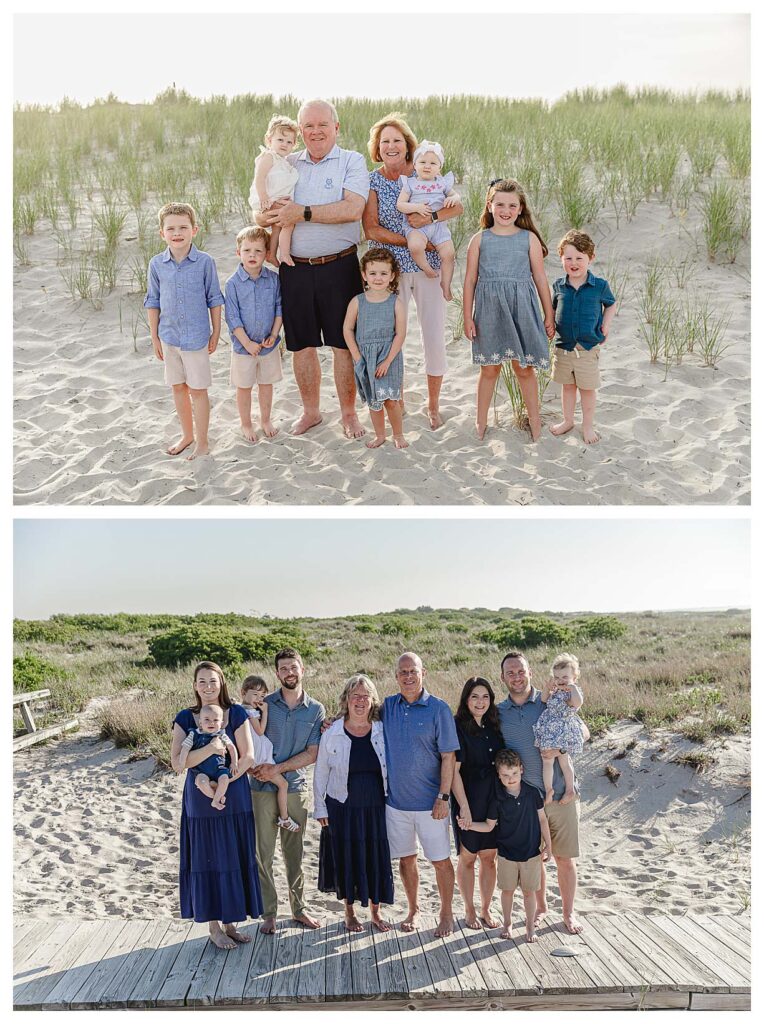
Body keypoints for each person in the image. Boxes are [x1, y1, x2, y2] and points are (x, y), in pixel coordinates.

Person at [256, 99, 369, 439]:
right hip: (295, 270)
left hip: (340, 265)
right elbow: (261, 211)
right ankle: (311, 412)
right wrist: (265, 216)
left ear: (337, 127)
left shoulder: (352, 161)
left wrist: (302, 213)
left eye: (323, 124)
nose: (315, 131)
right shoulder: (286, 161)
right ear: (300, 130)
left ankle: (349, 413)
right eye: (308, 126)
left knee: (343, 343)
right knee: (302, 345)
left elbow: (353, 208)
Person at [364, 113, 463, 429]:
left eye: (396, 140)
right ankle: (399, 398)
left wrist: (431, 220)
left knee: (433, 334)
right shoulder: (373, 180)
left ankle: (433, 405)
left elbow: (456, 207)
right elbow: (371, 228)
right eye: (384, 142)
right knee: (391, 336)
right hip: (388, 272)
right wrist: (411, 240)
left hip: (429, 269)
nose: (391, 146)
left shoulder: (426, 171)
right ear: (377, 149)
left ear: (408, 146)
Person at [170, 662, 262, 949]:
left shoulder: (235, 713)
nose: (208, 687)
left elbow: (247, 756)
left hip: (233, 793)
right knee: (207, 857)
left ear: (222, 682)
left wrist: (226, 782)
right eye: (202, 682)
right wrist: (210, 750)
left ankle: (231, 923)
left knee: (232, 856)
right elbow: (177, 764)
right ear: (194, 685)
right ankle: (213, 927)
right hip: (200, 800)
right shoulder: (186, 718)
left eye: (213, 681)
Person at [496, 651, 586, 934]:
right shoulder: (499, 713)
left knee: (564, 859)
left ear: (530, 673)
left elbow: (583, 731)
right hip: (527, 801)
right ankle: (542, 909)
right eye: (510, 673)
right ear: (503, 677)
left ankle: (569, 914)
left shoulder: (549, 699)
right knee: (537, 858)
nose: (516, 677)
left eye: (520, 671)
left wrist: (560, 750)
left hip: (560, 794)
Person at [462, 179, 555, 442]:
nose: (505, 210)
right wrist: (467, 316)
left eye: (512, 205)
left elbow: (540, 278)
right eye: (499, 204)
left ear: (520, 208)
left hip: (522, 309)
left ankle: (535, 422)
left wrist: (549, 314)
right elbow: (470, 280)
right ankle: (481, 422)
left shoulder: (529, 239)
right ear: (489, 206)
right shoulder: (480, 240)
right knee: (489, 369)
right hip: (490, 310)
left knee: (523, 368)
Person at [382, 652, 459, 938]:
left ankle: (446, 914)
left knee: (440, 861)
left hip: (431, 804)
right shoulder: (388, 706)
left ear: (423, 673)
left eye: (412, 671)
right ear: (396, 676)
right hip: (396, 804)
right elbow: (358, 714)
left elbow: (449, 757)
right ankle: (413, 910)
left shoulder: (438, 708)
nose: (408, 676)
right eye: (402, 672)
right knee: (406, 860)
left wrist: (443, 797)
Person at [250, 647, 325, 935]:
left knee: (294, 854)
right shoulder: (265, 704)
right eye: (283, 668)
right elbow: (249, 738)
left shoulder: (316, 709)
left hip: (295, 789)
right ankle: (269, 912)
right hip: (259, 788)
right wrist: (260, 770)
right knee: (263, 854)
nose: (289, 672)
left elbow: (313, 753)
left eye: (293, 667)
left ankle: (299, 909)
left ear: (302, 669)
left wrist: (277, 770)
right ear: (277, 673)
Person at [314, 674, 394, 933]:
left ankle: (375, 912)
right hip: (341, 804)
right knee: (347, 857)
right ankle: (349, 913)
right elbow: (321, 772)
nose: (360, 701)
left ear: (373, 701)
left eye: (365, 696)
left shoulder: (383, 729)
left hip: (376, 804)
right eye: (355, 696)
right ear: (346, 699)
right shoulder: (333, 732)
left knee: (375, 857)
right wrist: (320, 807)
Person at [144, 202, 224, 460]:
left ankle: (202, 441)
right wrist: (154, 336)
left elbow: (214, 298)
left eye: (183, 227)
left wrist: (215, 332)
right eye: (171, 228)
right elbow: (152, 301)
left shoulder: (204, 262)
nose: (177, 233)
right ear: (162, 233)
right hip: (169, 337)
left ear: (194, 230)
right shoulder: (157, 265)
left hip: (196, 337)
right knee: (178, 387)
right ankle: (187, 435)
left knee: (198, 390)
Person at [458, 749, 552, 943]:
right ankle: (507, 924)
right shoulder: (497, 799)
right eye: (505, 775)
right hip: (506, 854)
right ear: (499, 776)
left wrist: (548, 845)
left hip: (531, 853)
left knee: (529, 892)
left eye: (514, 773)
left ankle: (529, 929)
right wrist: (469, 825)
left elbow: (542, 820)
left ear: (521, 770)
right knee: (507, 891)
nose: (511, 779)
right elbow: (489, 825)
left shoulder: (532, 793)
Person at [549, 230, 616, 445]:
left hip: (587, 347)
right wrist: (549, 324)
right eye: (568, 258)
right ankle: (568, 420)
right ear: (561, 259)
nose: (574, 263)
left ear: (590, 258)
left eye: (579, 258)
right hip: (564, 347)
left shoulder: (599, 286)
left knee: (587, 388)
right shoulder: (559, 285)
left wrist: (605, 324)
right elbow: (552, 309)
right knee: (567, 386)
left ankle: (587, 426)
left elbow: (611, 304)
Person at [450, 677, 504, 929]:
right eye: (474, 696)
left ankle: (485, 908)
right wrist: (464, 807)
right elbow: (454, 772)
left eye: (485, 696)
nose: (480, 702)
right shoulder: (458, 726)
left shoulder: (495, 726)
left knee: (489, 858)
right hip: (467, 798)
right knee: (468, 857)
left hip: (493, 797)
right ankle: (469, 909)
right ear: (466, 699)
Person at [343, 248, 408, 449]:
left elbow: (401, 334)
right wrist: (356, 356)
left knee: (390, 400)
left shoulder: (395, 303)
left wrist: (387, 361)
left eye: (383, 273)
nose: (377, 278)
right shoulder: (357, 302)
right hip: (365, 358)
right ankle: (380, 435)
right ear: (364, 275)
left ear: (392, 275)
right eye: (372, 273)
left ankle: (398, 435)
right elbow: (347, 328)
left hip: (389, 357)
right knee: (374, 401)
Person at [224, 226, 283, 443]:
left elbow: (279, 308)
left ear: (266, 254)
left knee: (266, 384)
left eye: (258, 251)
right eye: (247, 250)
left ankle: (265, 420)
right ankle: (246, 423)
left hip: (268, 344)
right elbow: (232, 318)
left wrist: (274, 334)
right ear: (238, 252)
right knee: (245, 386)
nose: (252, 255)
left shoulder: (273, 280)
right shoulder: (233, 284)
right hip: (243, 347)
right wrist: (247, 342)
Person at [395, 140, 460, 301]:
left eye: (433, 163)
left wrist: (453, 199)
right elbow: (400, 205)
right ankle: (426, 267)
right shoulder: (410, 184)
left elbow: (456, 196)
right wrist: (416, 207)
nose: (427, 166)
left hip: (438, 227)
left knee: (449, 253)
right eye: (422, 162)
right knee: (415, 246)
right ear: (415, 165)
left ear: (439, 168)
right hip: (417, 229)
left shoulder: (442, 183)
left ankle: (446, 283)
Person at [240, 675, 300, 832]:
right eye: (255, 694)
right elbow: (260, 731)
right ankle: (284, 818)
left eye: (262, 696)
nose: (258, 699)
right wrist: (265, 712)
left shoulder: (240, 709)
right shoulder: (250, 712)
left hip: (259, 756)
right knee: (284, 784)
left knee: (281, 785)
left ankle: (283, 817)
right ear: (243, 692)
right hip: (261, 759)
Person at [248, 114, 300, 266]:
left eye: (289, 142)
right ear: (269, 140)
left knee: (278, 225)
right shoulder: (268, 156)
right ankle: (284, 254)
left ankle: (271, 253)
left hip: (276, 199)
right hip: (267, 200)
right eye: (280, 140)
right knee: (289, 221)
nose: (284, 144)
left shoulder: (283, 161)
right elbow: (260, 177)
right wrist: (264, 197)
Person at [533, 653, 585, 805]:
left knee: (564, 761)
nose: (561, 681)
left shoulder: (572, 692)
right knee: (547, 760)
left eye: (565, 677)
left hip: (563, 730)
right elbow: (543, 700)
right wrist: (547, 688)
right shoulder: (555, 691)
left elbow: (577, 703)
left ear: (574, 677)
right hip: (549, 731)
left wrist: (572, 687)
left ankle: (570, 789)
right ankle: (549, 789)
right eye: (557, 677)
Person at [178, 703, 238, 810]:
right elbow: (185, 748)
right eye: (207, 719)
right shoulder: (194, 734)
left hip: (219, 768)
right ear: (200, 722)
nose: (211, 723)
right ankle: (216, 797)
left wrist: (234, 762)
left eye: (215, 720)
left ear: (221, 723)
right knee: (201, 782)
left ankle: (215, 801)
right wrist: (182, 763)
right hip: (201, 771)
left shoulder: (222, 735)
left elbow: (232, 748)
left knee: (224, 780)